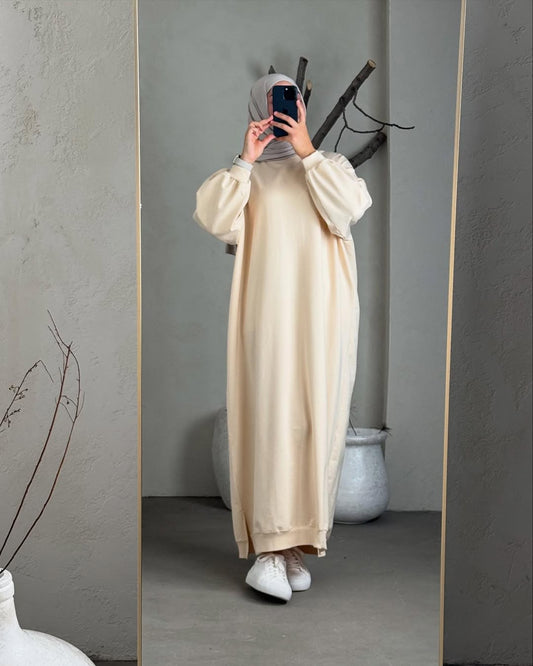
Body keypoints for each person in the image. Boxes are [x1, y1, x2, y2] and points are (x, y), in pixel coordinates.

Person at [193, 73, 373, 602]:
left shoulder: (330, 167)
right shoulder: (245, 178)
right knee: (270, 420)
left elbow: (348, 209)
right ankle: (269, 549)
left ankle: (295, 545)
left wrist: (307, 149)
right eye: (274, 99)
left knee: (317, 422)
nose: (283, 106)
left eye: (290, 98)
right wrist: (245, 158)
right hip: (268, 315)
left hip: (325, 316)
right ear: (258, 108)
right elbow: (213, 217)